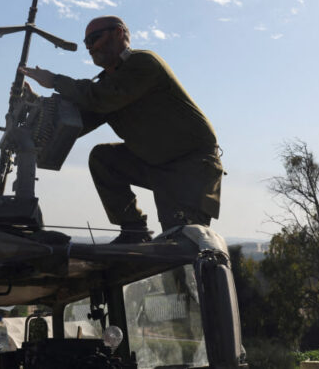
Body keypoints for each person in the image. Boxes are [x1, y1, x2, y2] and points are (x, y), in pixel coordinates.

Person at [19, 15, 223, 244]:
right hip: (155, 161)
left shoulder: (143, 63)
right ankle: (134, 231)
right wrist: (37, 106)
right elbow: (75, 121)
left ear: (118, 33)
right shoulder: (110, 84)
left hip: (189, 165)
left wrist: (55, 81)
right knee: (104, 158)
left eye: (94, 39)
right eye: (86, 43)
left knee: (183, 241)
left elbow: (102, 98)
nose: (90, 48)